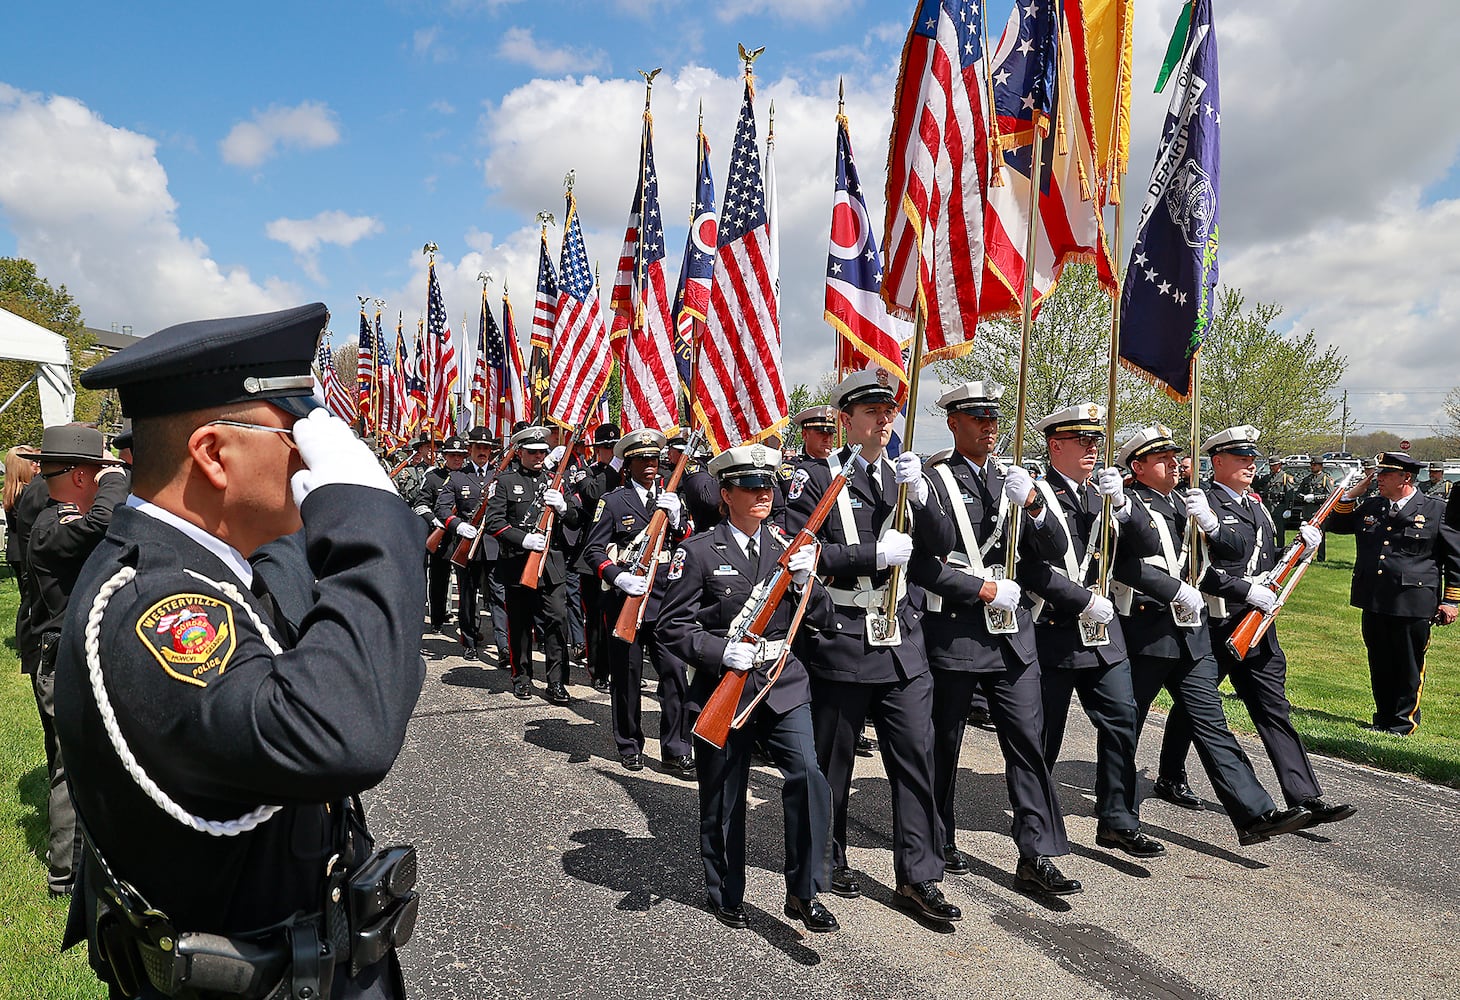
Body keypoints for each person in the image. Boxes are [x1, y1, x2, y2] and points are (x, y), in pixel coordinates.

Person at [55, 302, 425, 999]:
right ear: (214, 454)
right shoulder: (156, 606)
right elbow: (348, 730)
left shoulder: (206, 559)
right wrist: (372, 520)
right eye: (296, 433)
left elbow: (327, 625)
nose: (312, 454)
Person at [786, 367, 962, 924]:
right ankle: (827, 860)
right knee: (833, 768)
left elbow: (942, 545)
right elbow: (798, 553)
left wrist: (924, 494)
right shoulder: (816, 478)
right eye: (872, 412)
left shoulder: (907, 476)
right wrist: (869, 557)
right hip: (842, 640)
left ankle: (919, 876)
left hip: (904, 644)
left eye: (890, 411)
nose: (885, 420)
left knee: (916, 761)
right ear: (846, 420)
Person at [658, 444, 837, 932]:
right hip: (726, 684)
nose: (764, 494)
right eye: (752, 486)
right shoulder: (696, 551)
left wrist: (805, 583)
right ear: (726, 493)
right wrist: (718, 652)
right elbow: (671, 627)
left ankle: (804, 891)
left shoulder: (787, 546)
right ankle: (725, 890)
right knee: (724, 797)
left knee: (808, 776)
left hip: (781, 682)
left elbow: (822, 619)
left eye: (768, 486)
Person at [916, 382, 1081, 896]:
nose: (990, 426)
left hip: (1013, 638)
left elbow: (1054, 548)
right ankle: (937, 834)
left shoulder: (1018, 479)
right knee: (944, 744)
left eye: (994, 417)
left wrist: (1033, 505)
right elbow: (923, 564)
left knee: (1028, 745)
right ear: (954, 423)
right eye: (977, 417)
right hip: (956, 632)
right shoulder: (935, 481)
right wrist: (980, 587)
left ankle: (1036, 854)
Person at [1113, 426, 1312, 846]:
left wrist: (1211, 524)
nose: (1176, 463)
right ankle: (1117, 815)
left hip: (1193, 634)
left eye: (1175, 456)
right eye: (1163, 458)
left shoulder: (1188, 505)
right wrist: (1175, 588)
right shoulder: (1126, 504)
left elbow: (1226, 557)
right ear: (1139, 467)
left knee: (1213, 724)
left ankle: (1255, 813)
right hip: (1148, 632)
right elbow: (1126, 566)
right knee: (1126, 726)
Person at [1162, 426, 1357, 827]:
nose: (1251, 465)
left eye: (1252, 458)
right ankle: (1171, 775)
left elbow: (1267, 564)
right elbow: (1193, 569)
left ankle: (1305, 795)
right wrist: (1243, 590)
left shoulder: (1257, 505)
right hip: (1217, 623)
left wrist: (1304, 546)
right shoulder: (1201, 504)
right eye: (1240, 458)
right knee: (1196, 707)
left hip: (1258, 626)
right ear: (1218, 462)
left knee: (1274, 709)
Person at [1022, 404, 1167, 860]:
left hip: (1103, 637)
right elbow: (1030, 568)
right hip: (1053, 632)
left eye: (1096, 442)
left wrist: (1124, 505)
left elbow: (1146, 547)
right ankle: (1038, 828)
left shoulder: (1103, 495)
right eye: (1082, 442)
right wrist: (1082, 599)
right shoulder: (1035, 494)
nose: (1092, 449)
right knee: (1044, 738)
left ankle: (1118, 819)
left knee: (1123, 722)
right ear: (1055, 445)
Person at [26, 427, 129, 897]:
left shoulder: (67, 514)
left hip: (77, 654)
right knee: (73, 767)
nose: (47, 479)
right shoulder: (52, 522)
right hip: (61, 659)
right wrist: (115, 480)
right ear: (84, 476)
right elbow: (103, 524)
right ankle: (65, 873)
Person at [581, 429, 694, 775]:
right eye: (641, 459)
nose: (650, 465)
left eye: (654, 459)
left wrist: (678, 521)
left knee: (675, 674)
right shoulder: (614, 502)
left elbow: (689, 541)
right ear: (628, 464)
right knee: (627, 678)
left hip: (666, 601)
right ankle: (629, 744)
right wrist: (617, 576)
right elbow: (593, 551)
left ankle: (676, 746)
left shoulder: (672, 496)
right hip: (626, 599)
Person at [1326, 452, 1460, 735]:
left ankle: (1403, 722)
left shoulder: (1436, 509)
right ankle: (1383, 718)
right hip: (1375, 597)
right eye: (1378, 473)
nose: (1378, 478)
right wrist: (1351, 495)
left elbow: (1455, 559)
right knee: (1380, 662)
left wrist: (1451, 600)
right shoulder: (1373, 505)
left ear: (1406, 478)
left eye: (1386, 474)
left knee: (1408, 665)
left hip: (1413, 601)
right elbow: (1336, 525)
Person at [485, 424, 579, 703]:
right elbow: (494, 523)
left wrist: (563, 507)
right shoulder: (504, 482)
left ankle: (556, 681)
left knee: (557, 620)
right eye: (532, 452)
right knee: (520, 623)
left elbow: (575, 518)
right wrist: (523, 540)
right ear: (520, 453)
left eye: (542, 452)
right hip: (518, 563)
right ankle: (522, 677)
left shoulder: (556, 481)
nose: (538, 457)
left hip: (551, 564)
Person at [434, 426, 504, 659]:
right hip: (467, 544)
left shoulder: (500, 476)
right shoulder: (457, 477)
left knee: (498, 595)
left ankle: (503, 645)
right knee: (467, 594)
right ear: (470, 450)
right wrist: (457, 525)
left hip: (494, 544)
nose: (482, 452)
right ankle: (470, 641)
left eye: (486, 448)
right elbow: (441, 508)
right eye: (478, 448)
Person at [570, 424, 623, 692]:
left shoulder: (628, 473)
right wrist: (615, 466)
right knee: (596, 617)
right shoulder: (587, 474)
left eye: (616, 448)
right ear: (598, 450)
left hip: (625, 556)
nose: (612, 452)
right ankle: (598, 670)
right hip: (593, 555)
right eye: (607, 448)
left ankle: (620, 667)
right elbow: (594, 495)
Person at [4, 446, 43, 678]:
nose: (36, 466)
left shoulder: (12, 491)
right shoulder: (25, 493)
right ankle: (28, 648)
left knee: (26, 599)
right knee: (29, 601)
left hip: (16, 552)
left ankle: (24, 643)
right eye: (32, 463)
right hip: (23, 552)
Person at [423, 436, 467, 633]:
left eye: (460, 456)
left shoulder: (470, 477)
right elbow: (421, 504)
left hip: (463, 537)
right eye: (453, 456)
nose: (457, 459)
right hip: (441, 537)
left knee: (467, 585)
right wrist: (435, 520)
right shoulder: (434, 478)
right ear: (445, 456)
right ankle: (437, 620)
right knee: (439, 580)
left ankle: (467, 624)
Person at [1292, 458, 1336, 560]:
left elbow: (1330, 495)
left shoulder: (1325, 479)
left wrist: (1315, 498)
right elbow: (1298, 492)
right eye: (1312, 465)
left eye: (1315, 465)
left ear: (1320, 466)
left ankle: (1320, 557)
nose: (1312, 467)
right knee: (1305, 533)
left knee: (1320, 534)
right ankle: (1305, 555)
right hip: (1307, 509)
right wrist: (1303, 497)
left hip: (1319, 510)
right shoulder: (1307, 479)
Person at [1252, 456, 1294, 548]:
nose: (1272, 468)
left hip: (1279, 507)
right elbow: (1256, 486)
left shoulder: (1285, 477)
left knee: (1279, 531)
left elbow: (1290, 495)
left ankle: (1279, 549)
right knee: (1267, 530)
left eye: (1274, 466)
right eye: (1271, 466)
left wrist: (1288, 508)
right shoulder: (1267, 477)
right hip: (1267, 506)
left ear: (1279, 465)